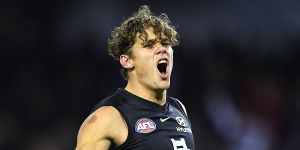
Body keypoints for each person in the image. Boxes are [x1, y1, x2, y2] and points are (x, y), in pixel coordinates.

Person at [75, 5, 195, 150]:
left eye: (165, 43)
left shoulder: (178, 109)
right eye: (149, 45)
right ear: (127, 61)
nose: (162, 49)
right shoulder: (108, 117)